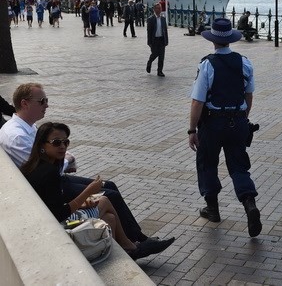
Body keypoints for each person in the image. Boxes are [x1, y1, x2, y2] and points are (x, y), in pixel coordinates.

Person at [0, 83, 162, 245]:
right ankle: (137, 242)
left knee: (110, 186)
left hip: (52, 182)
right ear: (24, 103)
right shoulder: (17, 136)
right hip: (47, 189)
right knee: (109, 196)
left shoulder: (25, 127)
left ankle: (137, 239)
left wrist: (61, 157)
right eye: (42, 101)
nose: (47, 105)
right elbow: (42, 169)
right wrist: (68, 160)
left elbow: (46, 162)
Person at [20, 122, 174, 260]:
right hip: (58, 226)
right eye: (56, 142)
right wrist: (88, 191)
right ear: (42, 145)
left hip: (48, 220)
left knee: (109, 218)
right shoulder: (49, 172)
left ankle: (121, 255)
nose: (62, 146)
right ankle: (131, 247)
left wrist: (83, 204)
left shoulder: (34, 165)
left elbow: (54, 204)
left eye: (66, 142)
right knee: (105, 200)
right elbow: (60, 213)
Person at [188, 18, 262, 237]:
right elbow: (249, 95)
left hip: (213, 122)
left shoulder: (207, 64)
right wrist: (243, 118)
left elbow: (197, 101)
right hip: (237, 120)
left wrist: (192, 130)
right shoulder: (245, 62)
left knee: (207, 163)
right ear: (230, 40)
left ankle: (213, 209)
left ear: (213, 41)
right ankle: (249, 203)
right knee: (239, 166)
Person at [146, 3, 168, 77]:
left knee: (161, 56)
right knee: (154, 54)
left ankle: (160, 71)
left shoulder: (163, 19)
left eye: (160, 8)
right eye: (157, 8)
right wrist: (149, 42)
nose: (159, 10)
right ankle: (149, 62)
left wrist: (166, 41)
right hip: (154, 40)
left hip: (161, 39)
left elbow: (165, 30)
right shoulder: (151, 19)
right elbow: (149, 31)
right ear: (154, 9)